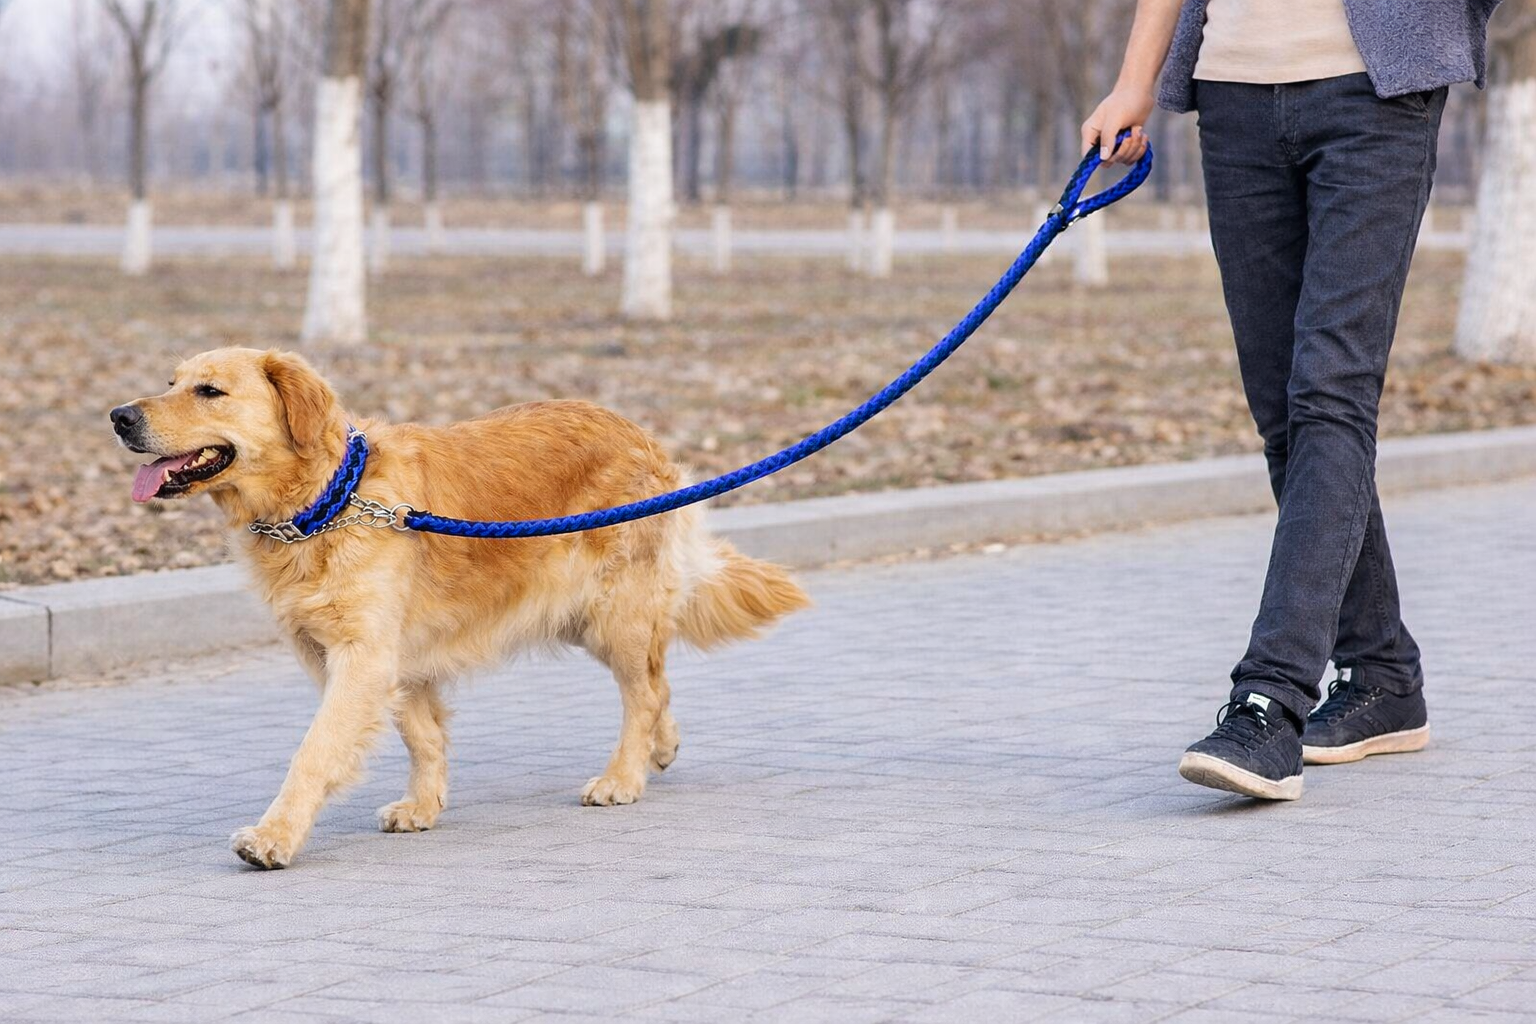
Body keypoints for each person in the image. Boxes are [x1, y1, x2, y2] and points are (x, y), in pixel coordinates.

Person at [1086, 0, 1504, 800]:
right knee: (1284, 411)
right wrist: (1131, 85)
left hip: (1373, 93)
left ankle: (1269, 701)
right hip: (1235, 93)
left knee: (1330, 393)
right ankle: (1383, 677)